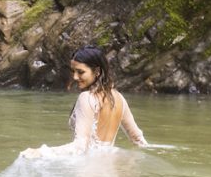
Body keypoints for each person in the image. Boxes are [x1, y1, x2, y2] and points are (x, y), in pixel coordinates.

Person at [21, 45, 153, 158]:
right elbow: (139, 140)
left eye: (80, 72)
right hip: (109, 172)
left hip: (88, 173)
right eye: (73, 71)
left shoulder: (87, 98)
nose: (74, 77)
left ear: (97, 71)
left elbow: (80, 147)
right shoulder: (119, 98)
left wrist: (42, 152)